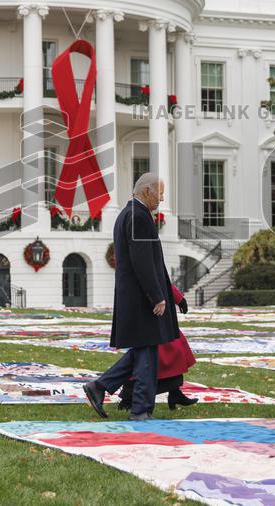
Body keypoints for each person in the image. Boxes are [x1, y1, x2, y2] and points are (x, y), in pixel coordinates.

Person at [82, 174, 179, 421]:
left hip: (135, 296)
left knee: (143, 350)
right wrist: (156, 296)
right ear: (147, 191)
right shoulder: (138, 216)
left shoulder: (129, 214)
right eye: (160, 193)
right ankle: (140, 410)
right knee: (147, 353)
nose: (162, 198)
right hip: (142, 298)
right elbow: (142, 261)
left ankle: (100, 386)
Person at [118, 282, 198, 411]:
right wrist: (177, 298)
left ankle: (175, 393)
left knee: (172, 349)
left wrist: (177, 298)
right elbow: (155, 276)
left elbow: (158, 276)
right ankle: (128, 395)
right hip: (152, 306)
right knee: (159, 353)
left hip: (152, 303)